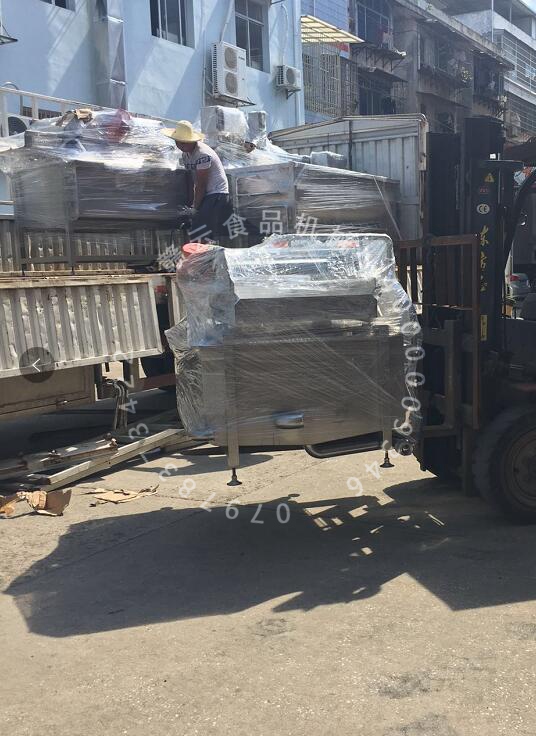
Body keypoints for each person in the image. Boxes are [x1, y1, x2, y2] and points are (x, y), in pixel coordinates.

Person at [163, 120, 232, 242]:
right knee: (195, 228)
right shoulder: (185, 155)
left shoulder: (202, 154)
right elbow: (191, 180)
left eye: (184, 143)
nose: (181, 146)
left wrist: (195, 208)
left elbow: (201, 184)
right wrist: (191, 205)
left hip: (216, 193)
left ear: (192, 141)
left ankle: (206, 251)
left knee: (201, 231)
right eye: (178, 142)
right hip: (205, 194)